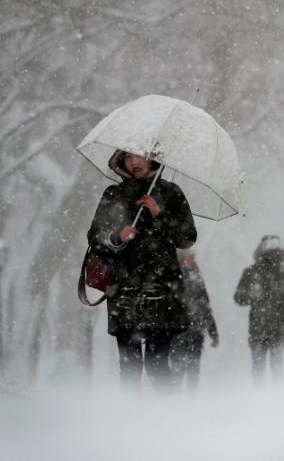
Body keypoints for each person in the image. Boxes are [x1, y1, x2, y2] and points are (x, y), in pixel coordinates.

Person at [86, 150, 196, 393]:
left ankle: (167, 421)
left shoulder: (171, 191)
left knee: (157, 366)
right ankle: (130, 423)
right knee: (130, 368)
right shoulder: (113, 194)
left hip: (163, 291)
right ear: (120, 161)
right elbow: (94, 236)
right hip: (124, 291)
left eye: (141, 156)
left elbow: (187, 238)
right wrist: (117, 236)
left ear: (153, 158)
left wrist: (161, 215)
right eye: (128, 157)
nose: (135, 162)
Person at [234, 235, 284, 385]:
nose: (273, 256)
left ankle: (273, 401)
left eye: (276, 252)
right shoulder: (251, 272)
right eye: (271, 252)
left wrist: (282, 293)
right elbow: (238, 297)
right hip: (260, 328)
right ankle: (262, 401)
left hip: (273, 328)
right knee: (261, 369)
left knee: (273, 369)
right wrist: (252, 295)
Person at [171, 251, 219, 392]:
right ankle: (175, 400)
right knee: (177, 369)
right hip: (178, 331)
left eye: (193, 258)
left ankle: (190, 402)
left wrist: (213, 331)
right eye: (189, 258)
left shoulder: (197, 278)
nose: (192, 261)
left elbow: (206, 307)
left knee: (192, 369)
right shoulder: (173, 278)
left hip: (195, 331)